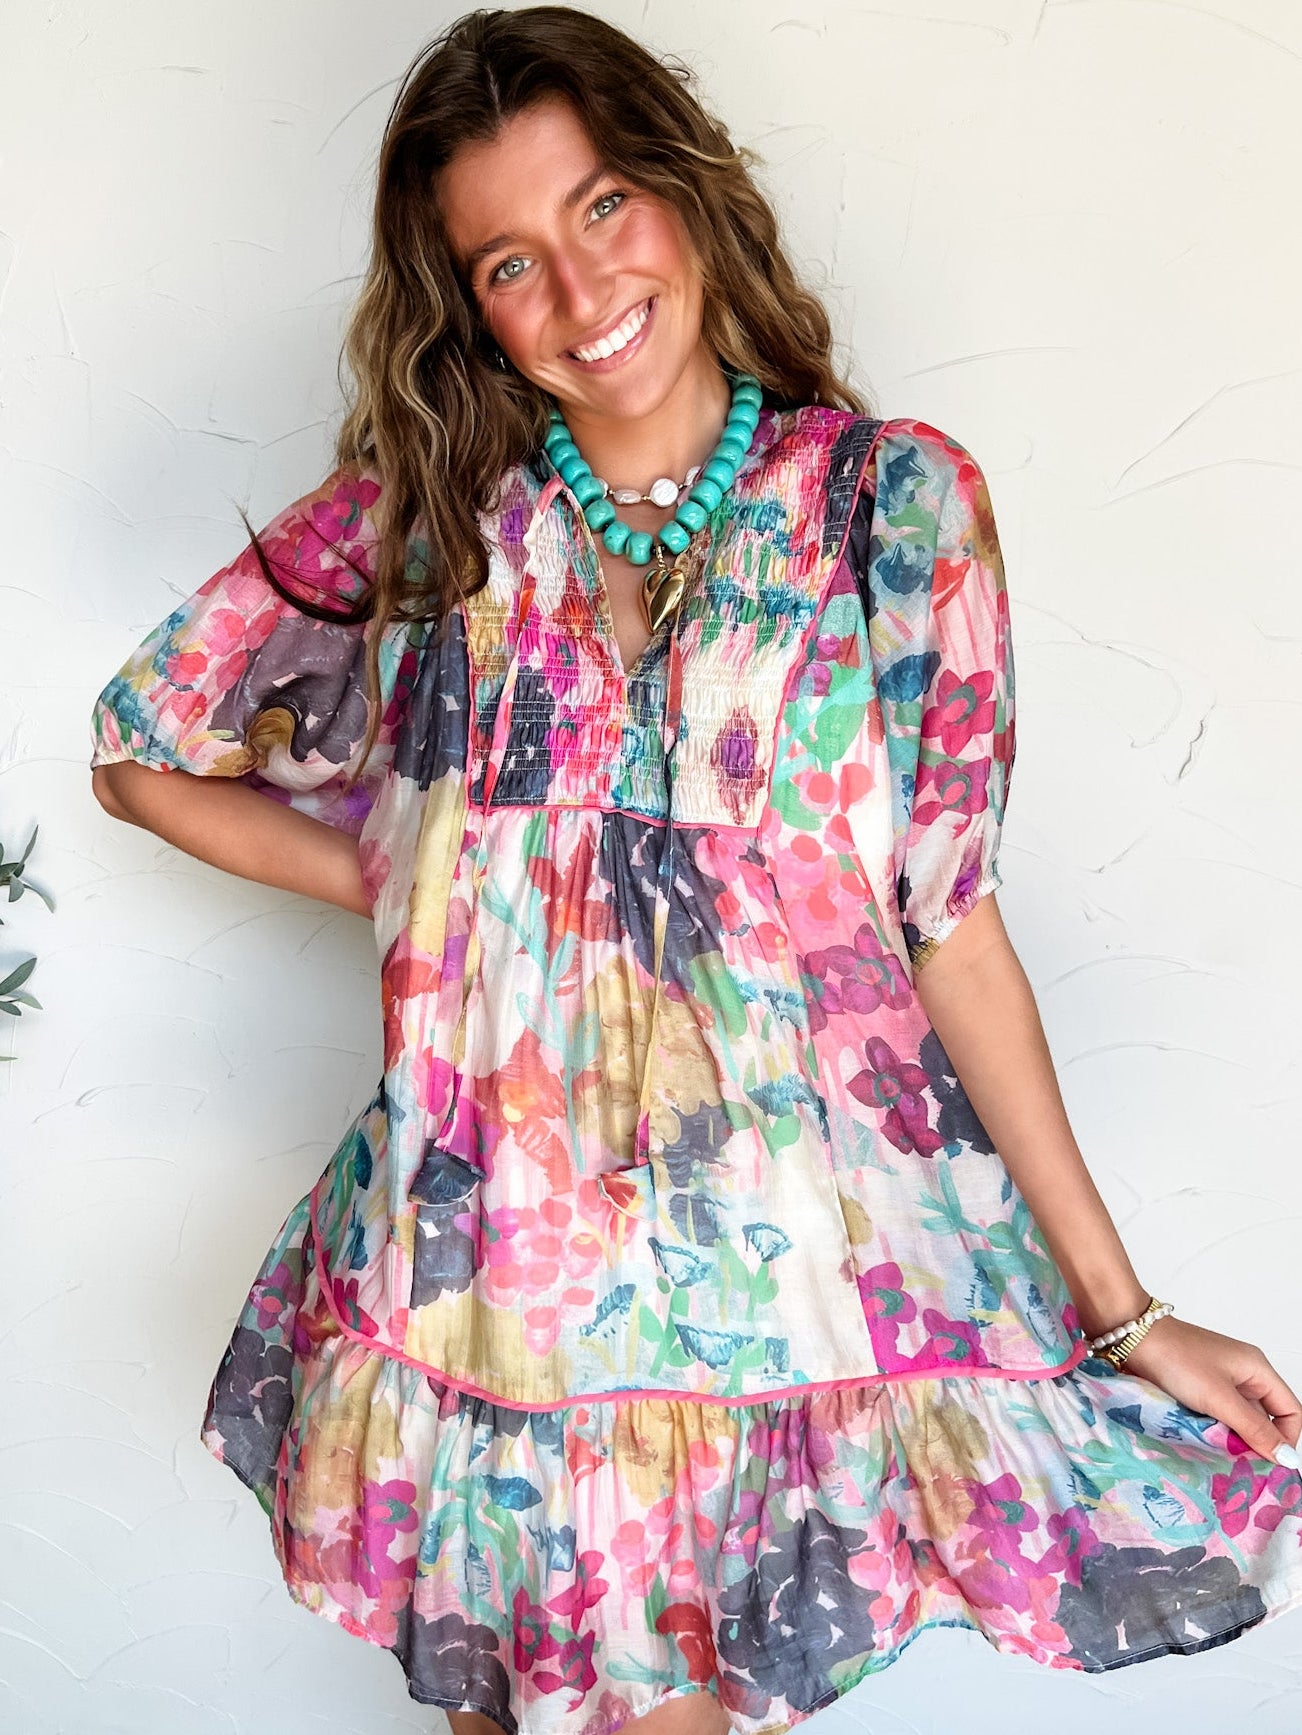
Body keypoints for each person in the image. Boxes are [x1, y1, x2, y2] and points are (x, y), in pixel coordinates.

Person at [88, 8, 1302, 1733]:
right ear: (468, 304)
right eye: (511, 261)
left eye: (600, 210)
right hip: (485, 1290)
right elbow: (144, 759)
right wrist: (436, 872)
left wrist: (1120, 1317)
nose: (583, 296)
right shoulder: (437, 522)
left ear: (680, 187)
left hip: (759, 1314)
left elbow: (946, 927)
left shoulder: (890, 514)